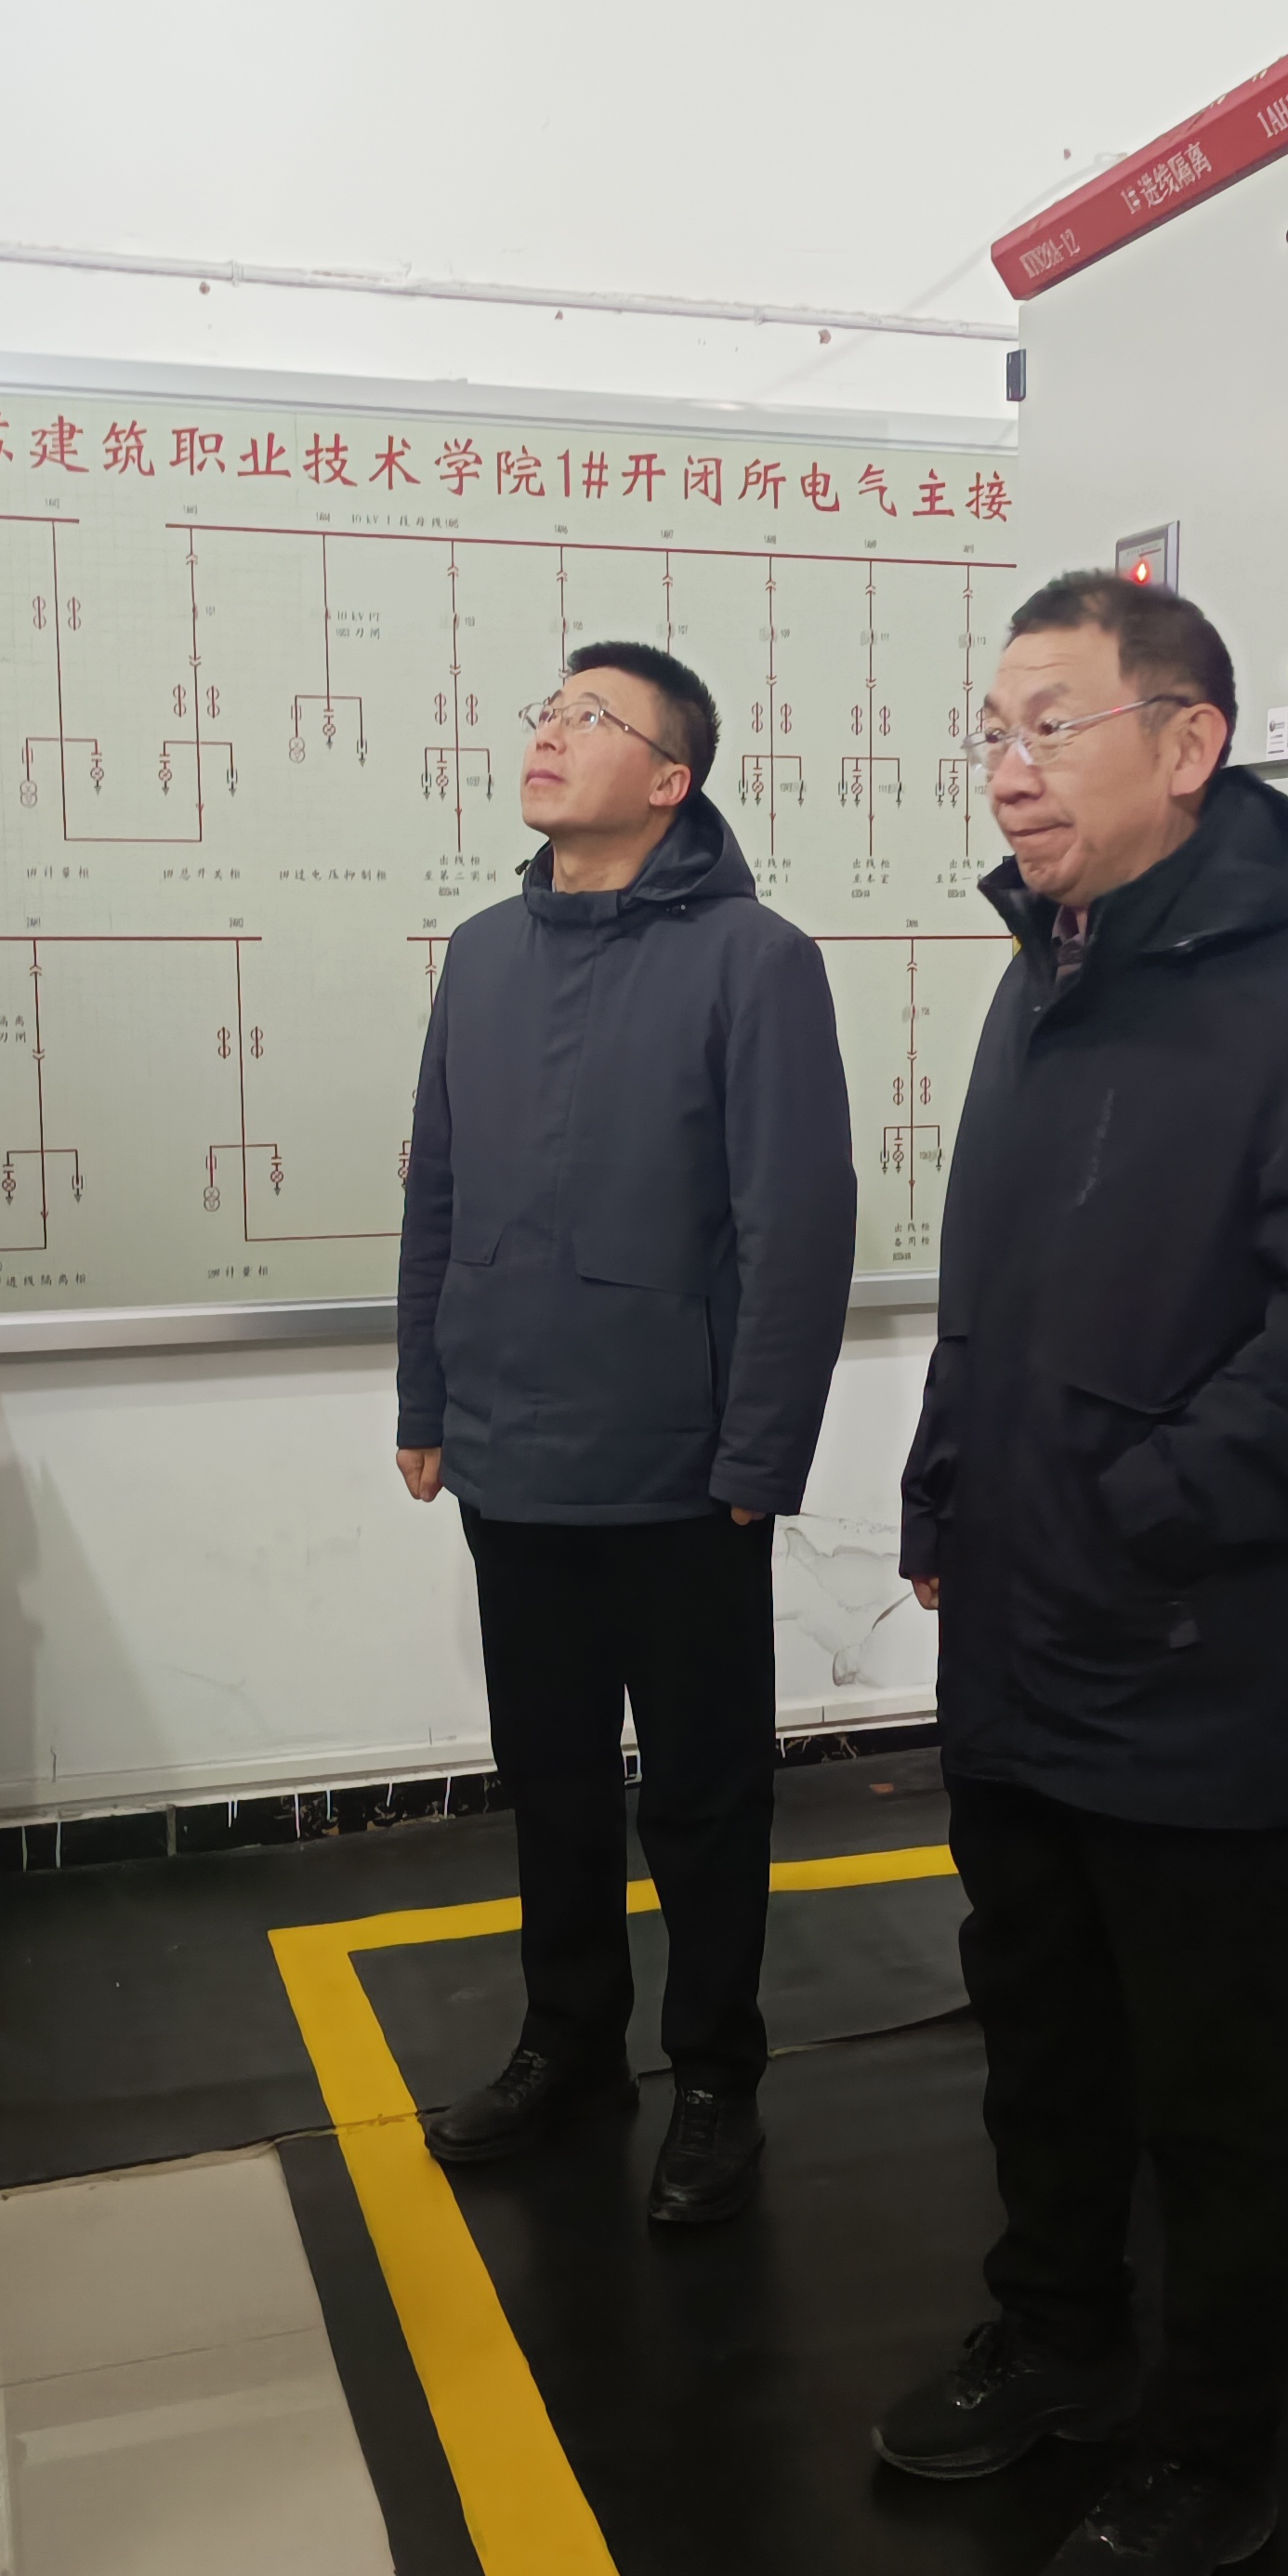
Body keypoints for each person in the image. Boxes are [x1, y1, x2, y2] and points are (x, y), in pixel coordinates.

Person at [873, 573, 1288, 2576]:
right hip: (1020, 1626)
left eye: (1052, 726)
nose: (1011, 770)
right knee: (1038, 2026)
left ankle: (1212, 2454)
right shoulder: (1048, 967)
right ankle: (1056, 2337)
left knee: (1220, 2089)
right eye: (994, 732)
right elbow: (994, 1281)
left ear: (1191, 741)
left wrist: (1147, 1512)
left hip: (1201, 1650)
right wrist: (950, 1488)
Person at [394, 639, 855, 2224]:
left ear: (670, 779)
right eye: (547, 709)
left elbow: (797, 1229)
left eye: (589, 717)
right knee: (553, 1776)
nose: (549, 732)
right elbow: (437, 1189)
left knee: (707, 1794)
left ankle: (717, 2077)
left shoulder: (754, 961)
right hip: (509, 1452)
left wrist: (760, 1456)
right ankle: (569, 2045)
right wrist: (425, 1395)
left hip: (680, 1468)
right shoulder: (481, 953)